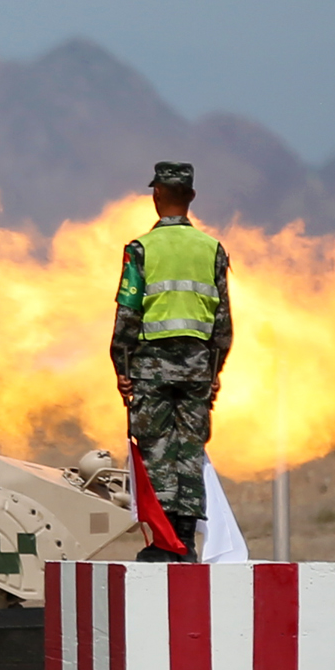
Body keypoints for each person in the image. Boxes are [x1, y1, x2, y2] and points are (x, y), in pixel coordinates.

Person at [111, 162, 233, 562]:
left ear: (156, 195)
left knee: (156, 450)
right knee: (189, 452)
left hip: (150, 368)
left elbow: (127, 315)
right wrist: (213, 374)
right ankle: (186, 545)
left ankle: (164, 544)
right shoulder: (212, 249)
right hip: (197, 367)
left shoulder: (141, 250)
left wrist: (122, 369)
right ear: (191, 197)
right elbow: (223, 323)